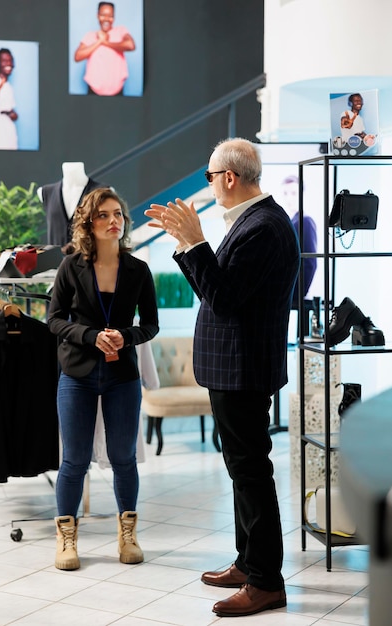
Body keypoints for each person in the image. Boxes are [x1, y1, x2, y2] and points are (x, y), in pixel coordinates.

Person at [145, 138, 300, 618]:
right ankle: (247, 561)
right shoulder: (255, 221)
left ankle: (266, 583)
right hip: (234, 368)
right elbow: (216, 293)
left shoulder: (264, 227)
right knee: (242, 471)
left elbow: (225, 298)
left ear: (228, 177)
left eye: (210, 177)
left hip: (243, 370)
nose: (209, 185)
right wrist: (186, 245)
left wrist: (195, 242)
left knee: (251, 472)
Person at [48, 187, 158, 571]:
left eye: (118, 215)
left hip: (121, 375)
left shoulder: (138, 269)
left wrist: (125, 336)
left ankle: (127, 536)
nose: (114, 221)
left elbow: (150, 325)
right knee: (74, 460)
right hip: (77, 372)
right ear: (88, 224)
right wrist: (90, 335)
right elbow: (54, 320)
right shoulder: (71, 266)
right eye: (104, 216)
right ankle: (66, 539)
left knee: (124, 458)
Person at [74, 2, 136, 96]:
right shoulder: (90, 36)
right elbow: (77, 56)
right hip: (93, 92)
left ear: (114, 17)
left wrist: (105, 42)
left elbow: (131, 45)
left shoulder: (121, 31)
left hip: (117, 93)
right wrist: (99, 41)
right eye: (103, 15)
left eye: (110, 16)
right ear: (98, 16)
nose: (107, 19)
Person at [281, 175, 317, 333]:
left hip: (294, 293)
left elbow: (310, 263)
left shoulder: (305, 221)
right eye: (286, 193)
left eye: (294, 193)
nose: (289, 198)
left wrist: (297, 293)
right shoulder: (291, 221)